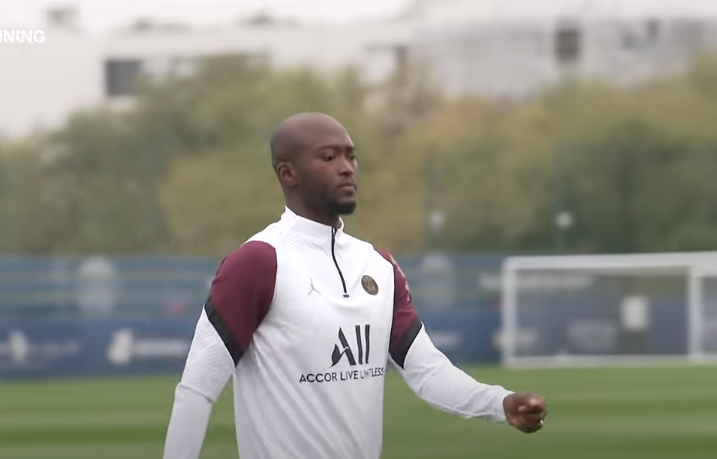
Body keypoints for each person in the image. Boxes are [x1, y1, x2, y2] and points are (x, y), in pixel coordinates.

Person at [163, 112, 547, 459]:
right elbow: (197, 391)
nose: (347, 169)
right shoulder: (258, 263)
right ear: (287, 173)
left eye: (351, 156)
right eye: (329, 158)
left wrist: (500, 403)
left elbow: (427, 371)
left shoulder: (378, 265)